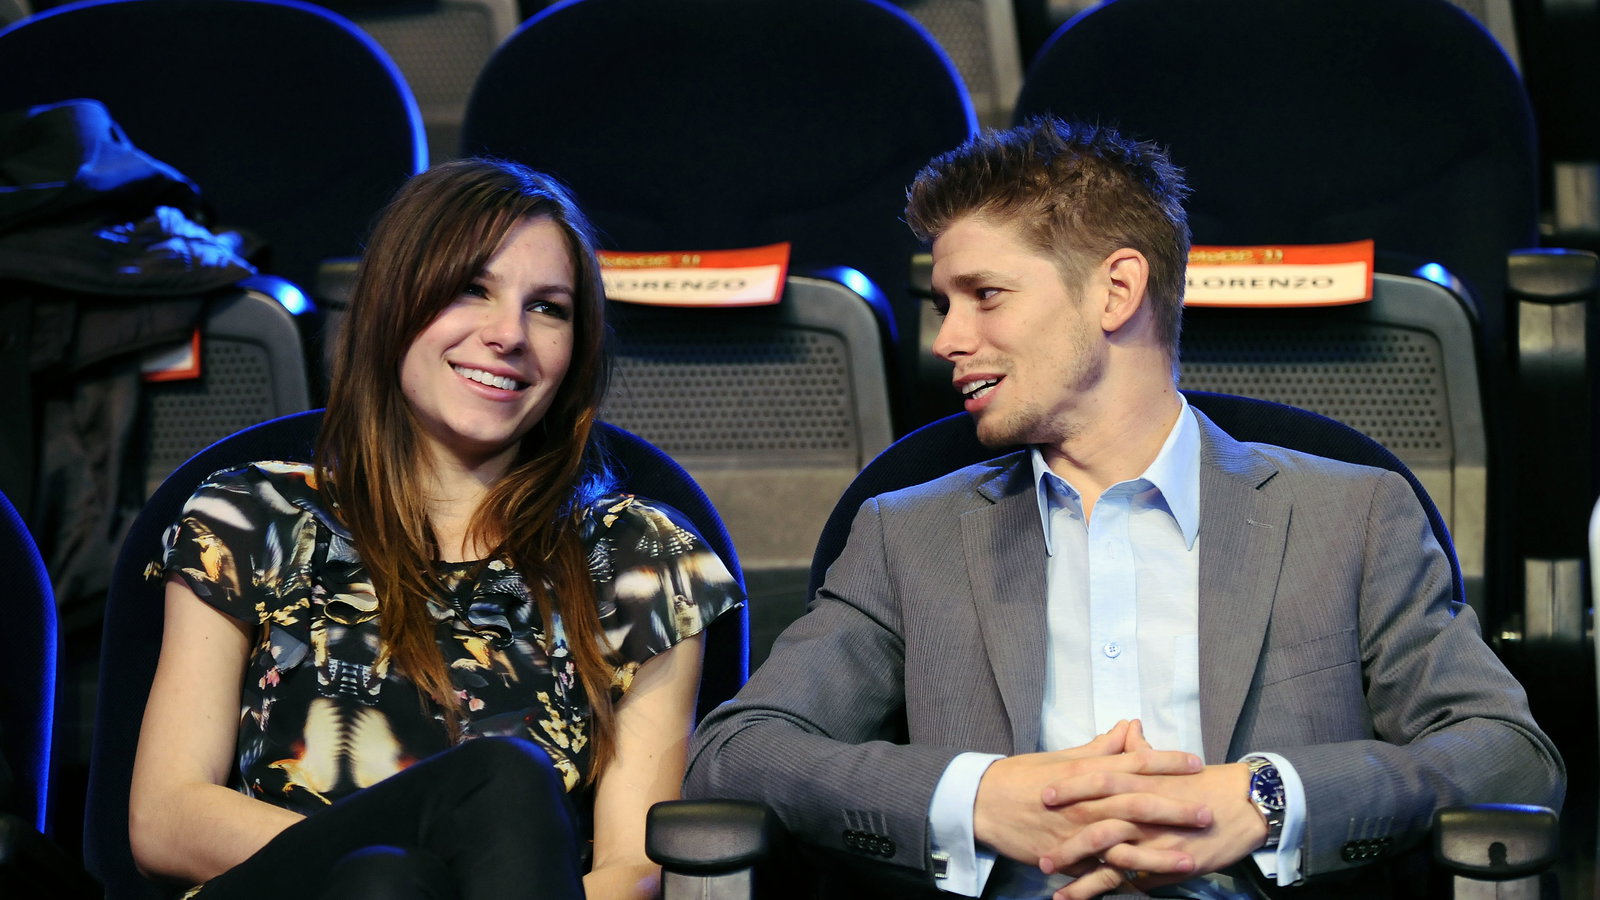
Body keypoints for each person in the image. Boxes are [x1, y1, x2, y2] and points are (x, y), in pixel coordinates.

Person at [683, 118, 1563, 900]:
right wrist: (979, 798)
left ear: (1116, 290)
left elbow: (1505, 752)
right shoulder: (906, 533)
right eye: (943, 304)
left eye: (985, 295)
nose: (948, 338)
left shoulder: (1353, 514)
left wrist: (1266, 797)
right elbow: (741, 751)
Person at [129, 158, 743, 900]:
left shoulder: (644, 559)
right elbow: (165, 821)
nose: (508, 334)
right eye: (470, 290)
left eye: (548, 308)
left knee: (389, 884)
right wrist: (447, 862)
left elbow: (634, 870)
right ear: (394, 303)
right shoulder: (250, 514)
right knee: (436, 834)